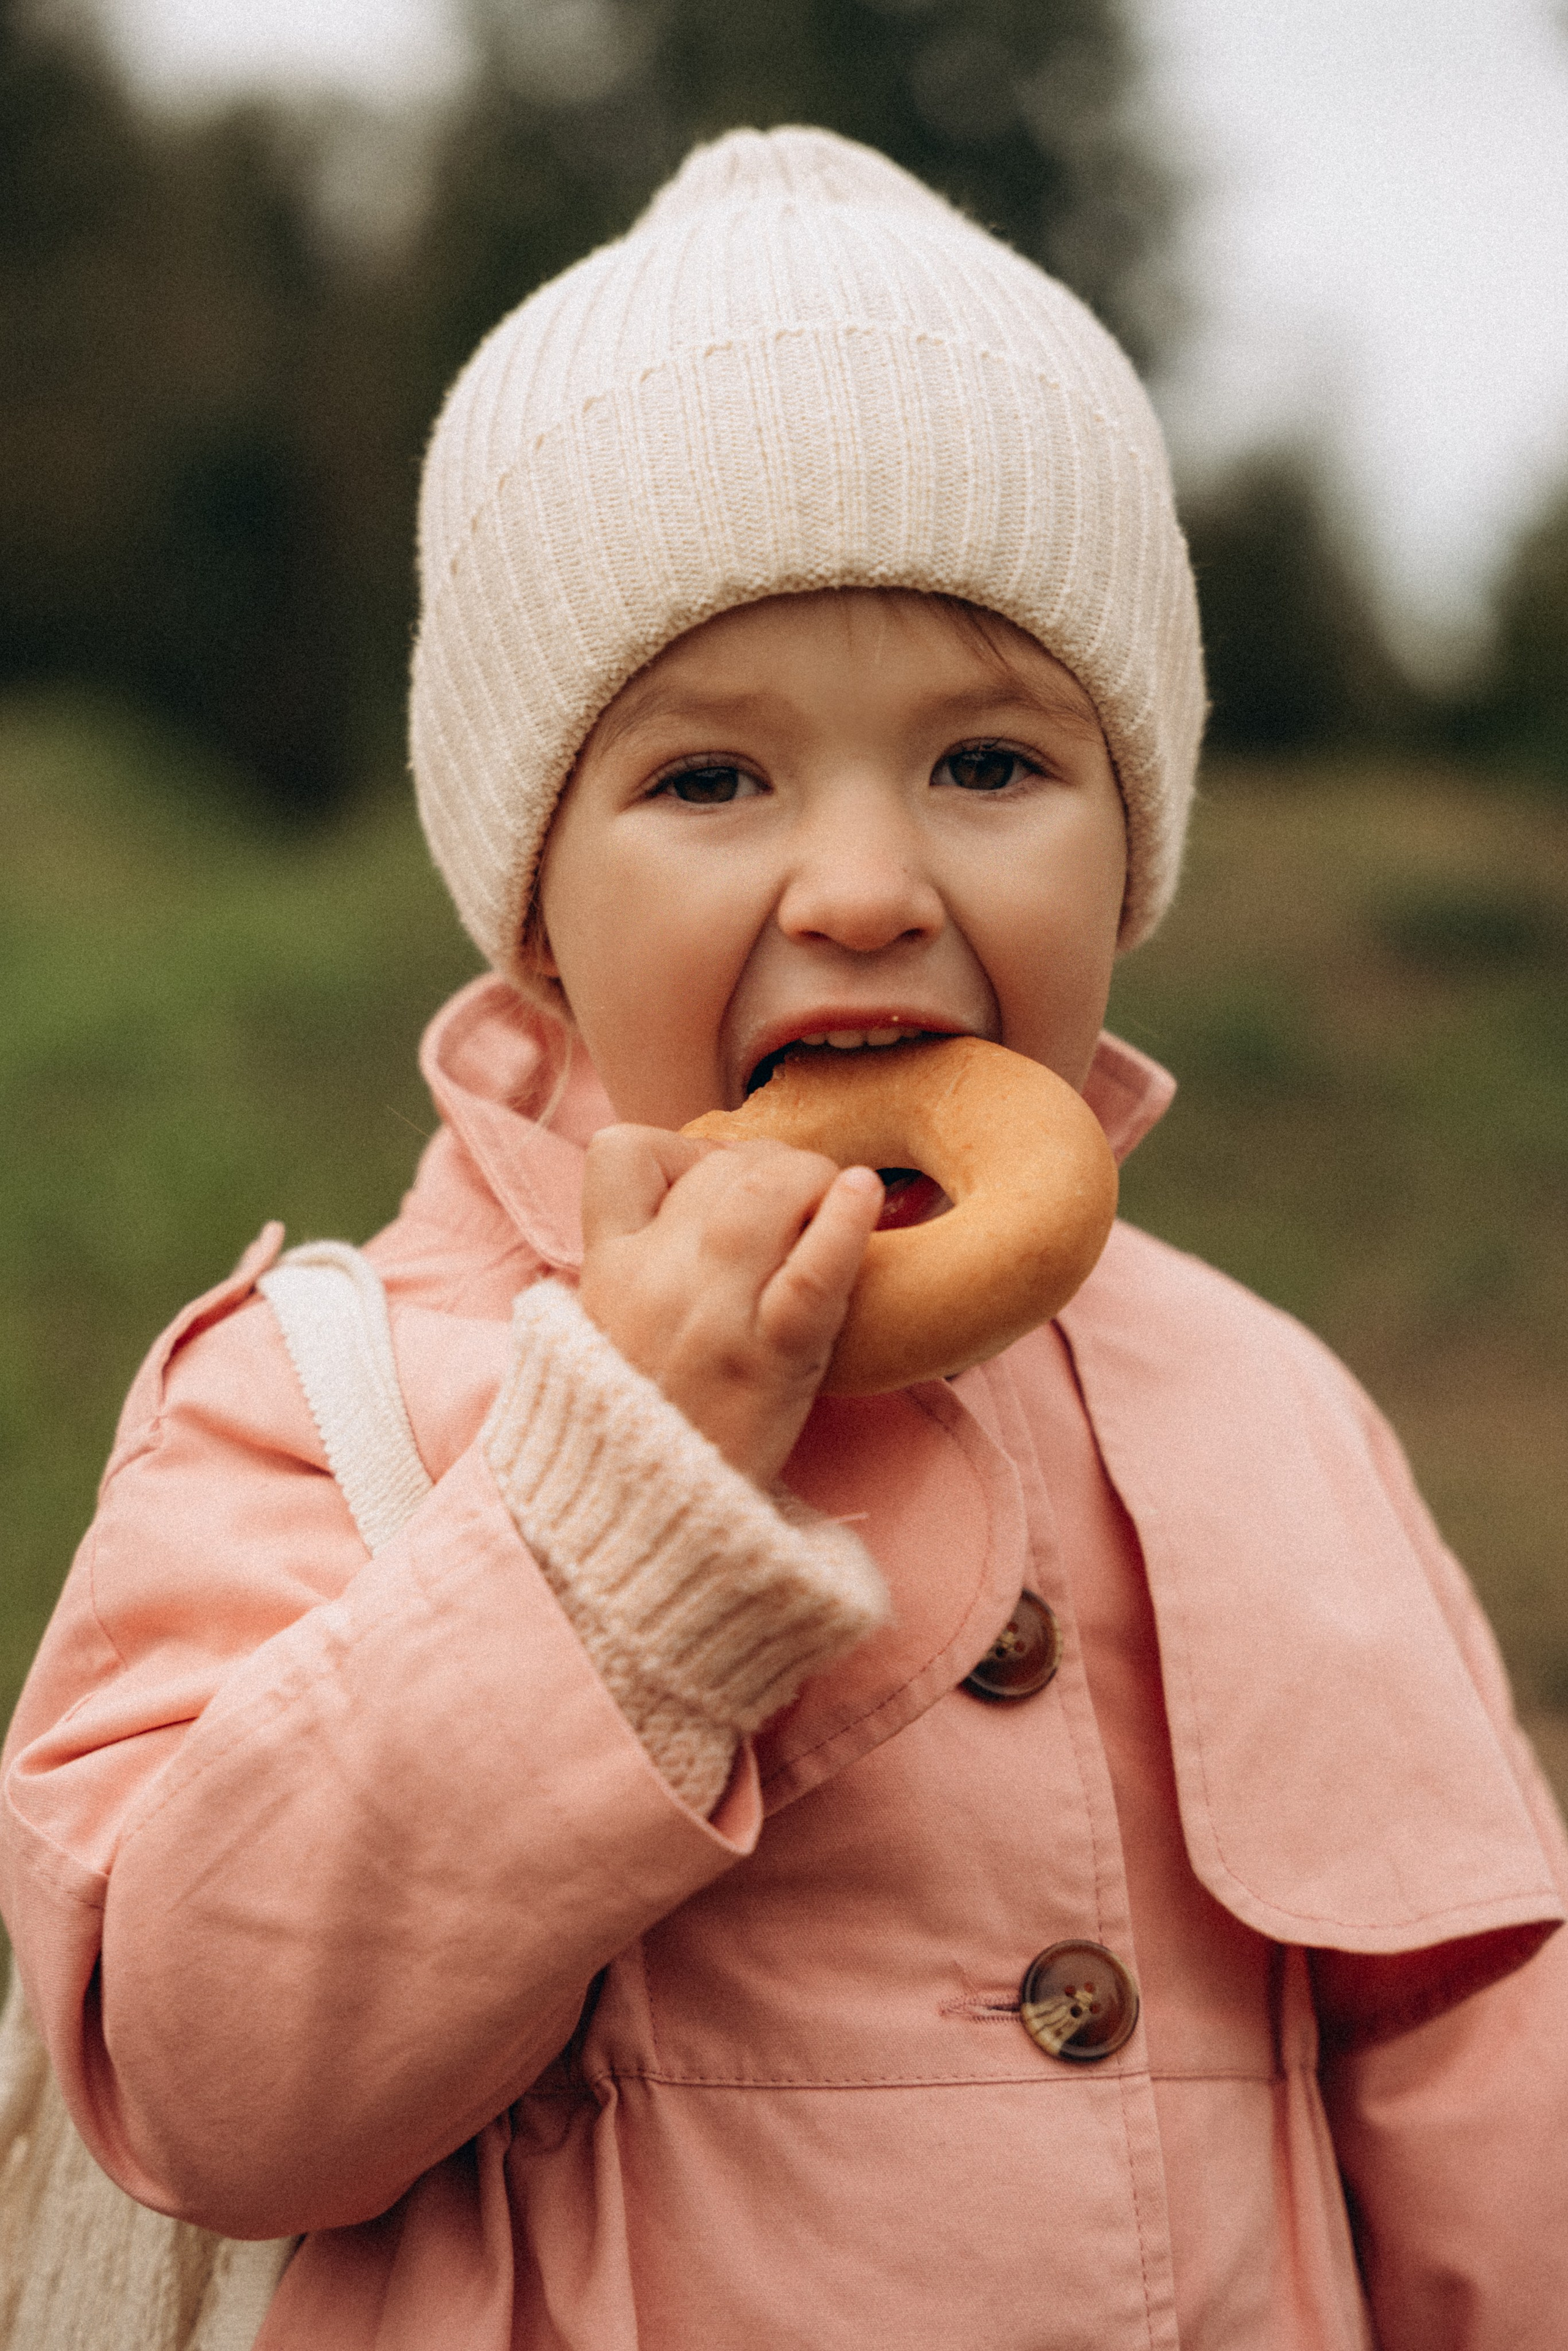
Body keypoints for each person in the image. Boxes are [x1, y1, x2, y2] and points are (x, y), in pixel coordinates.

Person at [2, 126, 1565, 2351]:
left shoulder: (1271, 1409)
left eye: (993, 765)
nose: (862, 883)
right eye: (711, 781)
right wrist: (601, 1519)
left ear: (1136, 850)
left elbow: (1491, 2095)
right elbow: (207, 2083)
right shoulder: (325, 1397)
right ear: (533, 909)